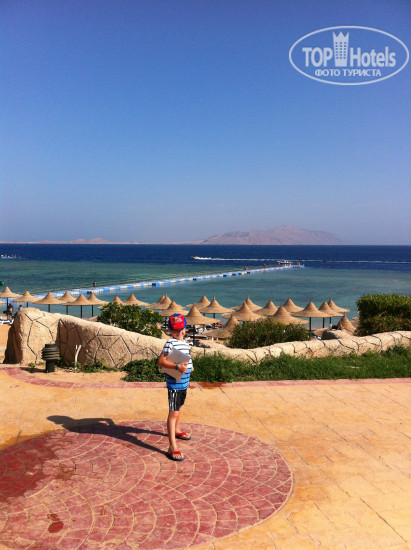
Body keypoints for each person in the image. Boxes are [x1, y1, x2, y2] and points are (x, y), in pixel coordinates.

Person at [157, 313, 193, 462]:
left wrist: (190, 367)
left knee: (179, 408)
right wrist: (177, 367)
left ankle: (177, 430)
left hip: (184, 382)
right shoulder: (170, 343)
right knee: (173, 413)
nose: (179, 333)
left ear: (185, 328)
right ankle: (172, 447)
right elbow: (161, 362)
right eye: (175, 330)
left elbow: (188, 359)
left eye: (181, 329)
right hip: (174, 383)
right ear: (170, 331)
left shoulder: (186, 344)